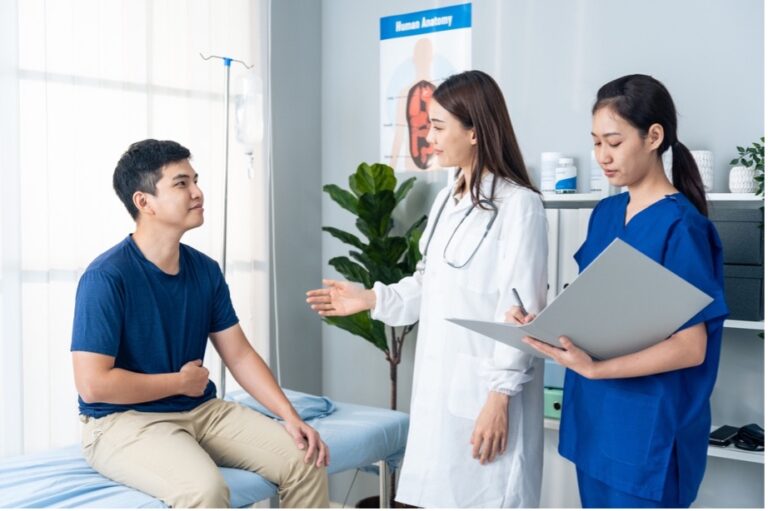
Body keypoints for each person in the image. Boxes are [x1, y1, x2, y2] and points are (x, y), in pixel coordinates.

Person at [307, 70, 548, 508]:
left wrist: (498, 400)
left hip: (489, 395)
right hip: (441, 389)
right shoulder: (447, 200)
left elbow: (521, 312)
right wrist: (370, 298)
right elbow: (428, 283)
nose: (428, 136)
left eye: (438, 127)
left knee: (489, 496)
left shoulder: (520, 205)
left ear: (474, 131)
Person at [71, 139, 329, 508]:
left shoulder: (204, 270)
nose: (197, 192)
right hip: (121, 422)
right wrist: (179, 382)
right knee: (205, 490)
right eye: (181, 184)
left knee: (306, 459)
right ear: (144, 202)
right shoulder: (107, 277)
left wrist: (289, 416)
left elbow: (238, 355)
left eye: (195, 180)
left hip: (201, 411)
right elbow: (94, 385)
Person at [511, 74, 729, 508]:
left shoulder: (682, 228)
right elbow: (596, 308)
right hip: (594, 420)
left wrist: (594, 369)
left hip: (648, 431)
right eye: (595, 143)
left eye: (613, 142)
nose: (602, 157)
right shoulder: (606, 212)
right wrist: (546, 325)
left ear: (653, 136)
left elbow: (691, 348)